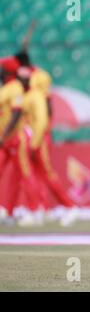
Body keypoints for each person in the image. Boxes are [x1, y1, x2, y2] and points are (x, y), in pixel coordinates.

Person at [15, 50, 79, 226]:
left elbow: (43, 118)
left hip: (38, 139)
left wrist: (35, 143)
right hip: (29, 138)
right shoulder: (25, 95)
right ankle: (38, 209)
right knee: (32, 175)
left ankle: (68, 206)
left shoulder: (37, 93)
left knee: (46, 174)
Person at [0, 62, 42, 226]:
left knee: (26, 174)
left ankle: (34, 211)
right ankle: (8, 211)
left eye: (2, 69)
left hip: (15, 138)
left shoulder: (16, 87)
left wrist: (4, 135)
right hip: (4, 140)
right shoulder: (5, 88)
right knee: (11, 177)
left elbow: (16, 113)